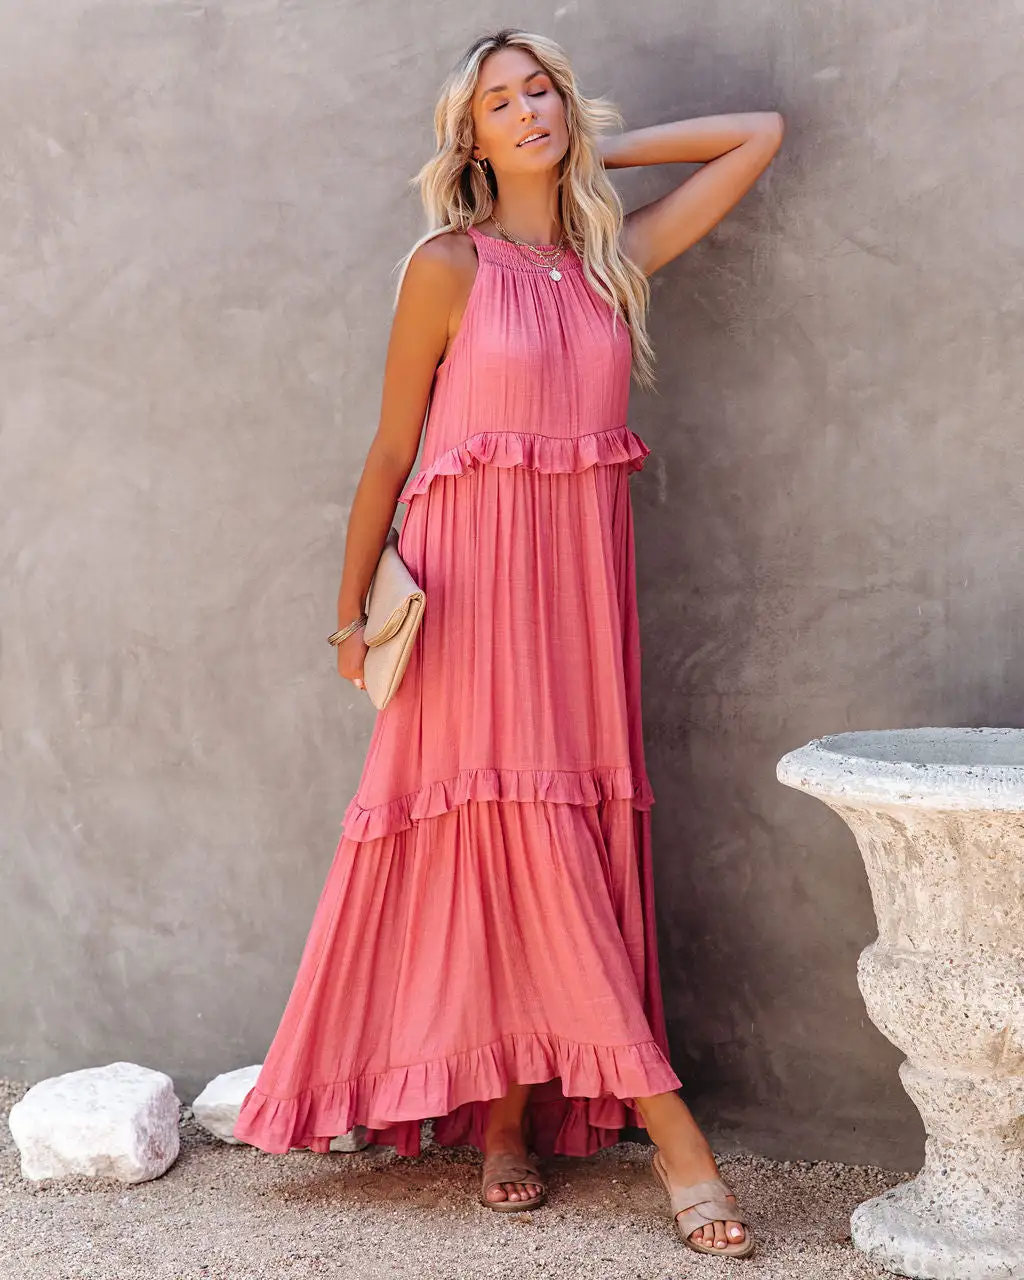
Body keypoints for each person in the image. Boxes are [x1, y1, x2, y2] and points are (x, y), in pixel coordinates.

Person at [234, 27, 783, 1260]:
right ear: (468, 136)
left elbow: (758, 137)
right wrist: (347, 613)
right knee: (521, 834)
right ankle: (673, 1132)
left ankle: (505, 1116)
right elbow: (391, 448)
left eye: (542, 93)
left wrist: (591, 152)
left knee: (550, 834)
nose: (528, 110)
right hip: (468, 592)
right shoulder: (446, 265)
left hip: (575, 598)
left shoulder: (607, 262)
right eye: (501, 102)